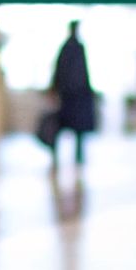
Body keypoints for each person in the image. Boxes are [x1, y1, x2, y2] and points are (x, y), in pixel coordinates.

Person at [48, 20, 96, 166]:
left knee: (68, 127)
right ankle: (74, 156)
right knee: (69, 127)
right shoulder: (73, 48)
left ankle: (73, 156)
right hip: (72, 95)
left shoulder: (69, 47)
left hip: (71, 94)